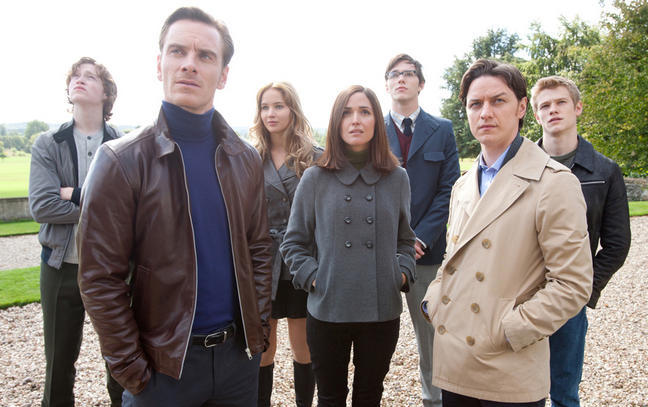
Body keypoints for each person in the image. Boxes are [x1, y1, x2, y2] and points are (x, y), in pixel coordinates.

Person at [76, 7, 273, 406]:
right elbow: (99, 277)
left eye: (205, 55)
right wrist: (132, 370)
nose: (189, 64)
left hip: (237, 365)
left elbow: (259, 250)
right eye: (178, 51)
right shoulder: (121, 161)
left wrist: (259, 331)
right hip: (163, 372)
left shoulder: (245, 159)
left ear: (223, 75)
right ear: (159, 63)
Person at [421, 59, 593, 406]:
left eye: (498, 101)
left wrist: (510, 329)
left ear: (522, 107)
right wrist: (434, 302)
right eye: (475, 104)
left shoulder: (554, 183)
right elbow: (452, 260)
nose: (485, 112)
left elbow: (573, 284)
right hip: (455, 361)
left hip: (508, 367)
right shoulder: (462, 186)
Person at [280, 85, 416, 407]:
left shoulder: (397, 178)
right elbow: (293, 243)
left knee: (369, 396)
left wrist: (400, 275)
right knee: (330, 398)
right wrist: (317, 278)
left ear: (376, 121)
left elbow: (406, 240)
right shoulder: (315, 178)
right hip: (329, 308)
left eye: (364, 112)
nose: (355, 120)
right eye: (347, 113)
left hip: (381, 309)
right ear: (336, 123)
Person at [28, 56, 123, 407]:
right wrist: (100, 205)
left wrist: (75, 194)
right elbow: (42, 207)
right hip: (60, 268)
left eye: (90, 76)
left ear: (106, 93)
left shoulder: (123, 144)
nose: (79, 80)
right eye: (75, 76)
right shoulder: (47, 143)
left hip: (113, 269)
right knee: (58, 363)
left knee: (121, 361)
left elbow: (131, 206)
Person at [531, 75, 631, 407]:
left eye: (561, 102)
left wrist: (584, 288)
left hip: (568, 301)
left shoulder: (605, 170)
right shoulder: (517, 166)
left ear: (577, 108)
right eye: (545, 105)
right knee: (515, 392)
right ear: (536, 115)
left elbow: (617, 243)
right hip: (518, 294)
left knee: (563, 392)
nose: (553, 110)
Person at [383, 53, 460, 407]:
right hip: (380, 251)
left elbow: (449, 189)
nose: (401, 78)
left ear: (421, 83)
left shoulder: (442, 130)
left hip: (425, 252)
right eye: (394, 74)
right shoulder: (371, 128)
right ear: (387, 84)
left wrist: (420, 238)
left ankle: (434, 400)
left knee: (432, 333)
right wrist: (392, 240)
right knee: (371, 334)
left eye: (408, 73)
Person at [250, 82, 319, 407]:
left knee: (303, 346)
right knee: (263, 346)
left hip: (301, 260)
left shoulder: (315, 157)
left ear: (292, 109)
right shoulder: (250, 157)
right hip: (262, 262)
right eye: (265, 107)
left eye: (278, 106)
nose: (271, 113)